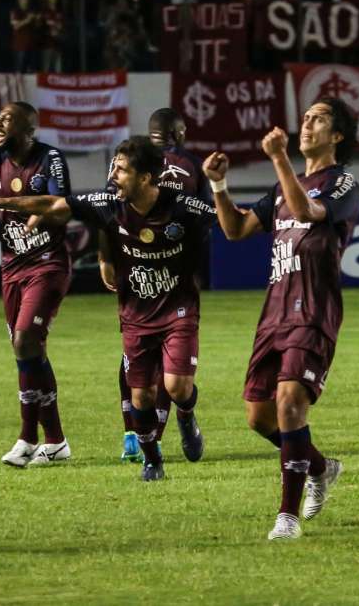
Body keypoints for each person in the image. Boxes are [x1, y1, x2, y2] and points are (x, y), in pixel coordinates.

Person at [0, 136, 213, 482]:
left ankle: (186, 415)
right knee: (142, 397)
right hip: (135, 316)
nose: (112, 175)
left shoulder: (184, 207)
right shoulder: (108, 203)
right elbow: (54, 205)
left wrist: (218, 186)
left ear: (145, 178)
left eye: (121, 169)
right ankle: (152, 460)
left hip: (178, 311)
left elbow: (232, 224)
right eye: (113, 166)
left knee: (176, 388)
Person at [203, 98, 359, 540]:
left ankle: (287, 517)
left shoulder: (342, 183)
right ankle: (320, 467)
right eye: (307, 117)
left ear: (338, 136)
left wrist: (278, 159)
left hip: (313, 309)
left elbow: (310, 213)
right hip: (273, 311)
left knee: (290, 403)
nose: (308, 123)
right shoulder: (280, 188)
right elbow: (234, 230)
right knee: (259, 417)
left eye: (320, 119)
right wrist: (219, 186)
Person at [0, 102, 73, 468]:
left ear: (28, 129)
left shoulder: (50, 158)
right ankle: (52, 442)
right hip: (12, 268)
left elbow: (59, 204)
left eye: (7, 119)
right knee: (27, 349)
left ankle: (28, 437)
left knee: (26, 339)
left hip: (47, 264)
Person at [99, 109, 211, 463]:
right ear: (180, 133)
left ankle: (143, 433)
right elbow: (210, 216)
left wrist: (106, 259)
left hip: (148, 277)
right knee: (146, 373)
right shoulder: (186, 164)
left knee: (152, 371)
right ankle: (151, 438)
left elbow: (107, 215)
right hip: (158, 275)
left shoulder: (131, 166)